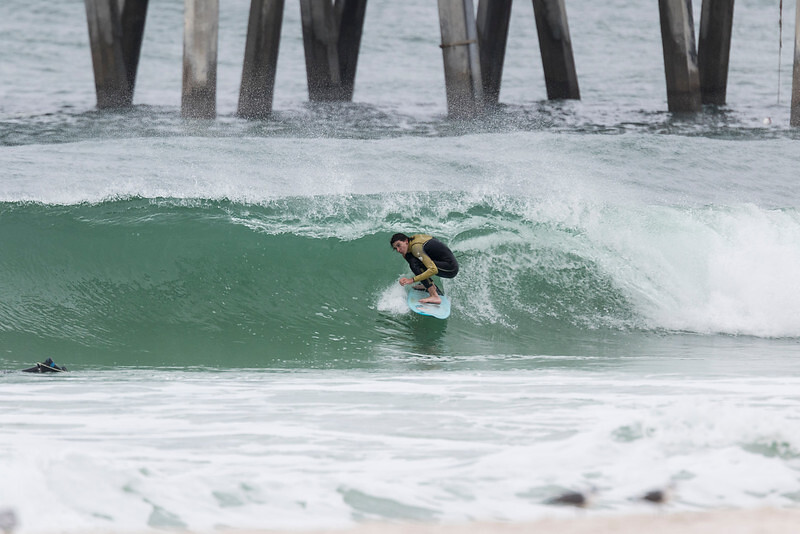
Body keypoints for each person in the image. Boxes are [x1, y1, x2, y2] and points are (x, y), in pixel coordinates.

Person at [390, 233, 459, 305]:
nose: (398, 250)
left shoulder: (416, 248)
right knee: (412, 260)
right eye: (395, 248)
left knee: (415, 264)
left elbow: (433, 269)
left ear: (406, 241)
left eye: (399, 245)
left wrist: (412, 280)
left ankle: (434, 296)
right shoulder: (412, 242)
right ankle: (430, 286)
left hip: (450, 268)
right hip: (440, 262)